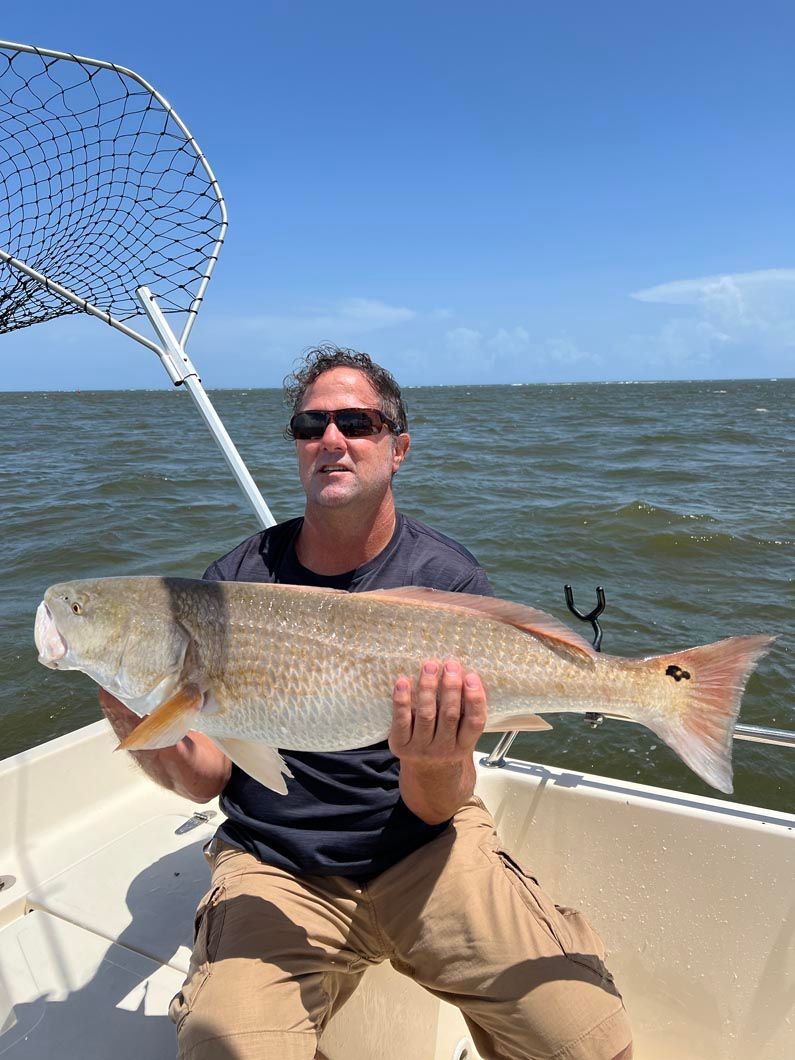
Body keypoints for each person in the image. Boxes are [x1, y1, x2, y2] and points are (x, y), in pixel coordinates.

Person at [100, 345, 632, 1060]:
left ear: (398, 448)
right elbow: (208, 778)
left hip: (425, 848)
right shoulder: (232, 583)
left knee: (586, 1041)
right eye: (310, 425)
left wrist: (433, 759)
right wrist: (133, 713)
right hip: (278, 863)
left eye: (357, 422)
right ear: (297, 447)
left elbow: (438, 806)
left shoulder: (445, 576)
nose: (331, 438)